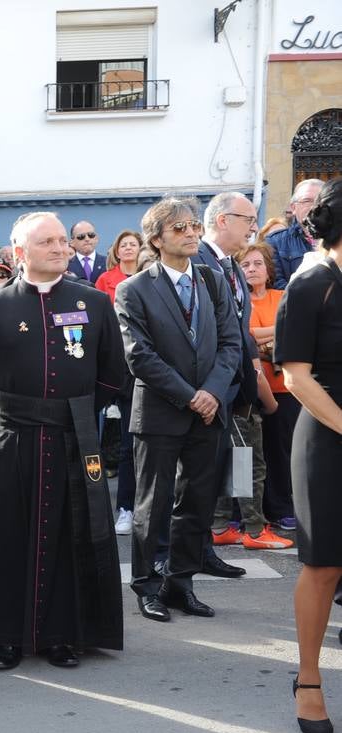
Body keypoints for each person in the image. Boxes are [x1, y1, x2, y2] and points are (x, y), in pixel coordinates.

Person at [0, 212, 127, 670]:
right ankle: (5, 635)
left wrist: (75, 413)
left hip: (74, 434)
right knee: (3, 534)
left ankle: (63, 635)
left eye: (61, 240)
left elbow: (113, 374)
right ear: (20, 253)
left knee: (72, 536)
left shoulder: (93, 303)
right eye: (47, 241)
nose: (60, 247)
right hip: (13, 435)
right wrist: (12, 417)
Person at [115, 196, 240, 623]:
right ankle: (148, 586)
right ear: (157, 238)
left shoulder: (211, 279)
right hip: (161, 412)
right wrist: (190, 395)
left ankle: (180, 583)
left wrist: (212, 393)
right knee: (153, 503)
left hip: (209, 410)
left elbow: (230, 343)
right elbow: (140, 356)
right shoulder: (133, 288)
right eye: (180, 228)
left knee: (196, 502)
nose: (191, 234)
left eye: (193, 226)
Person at [274, 177, 342, 733]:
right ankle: (309, 677)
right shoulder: (313, 281)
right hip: (326, 436)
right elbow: (296, 378)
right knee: (324, 565)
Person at [196, 193, 292, 551]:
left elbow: (241, 329)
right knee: (244, 462)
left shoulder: (229, 266)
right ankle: (252, 528)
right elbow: (223, 333)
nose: (254, 226)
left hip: (240, 388)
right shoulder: (200, 261)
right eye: (248, 218)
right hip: (218, 387)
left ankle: (231, 526)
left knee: (240, 461)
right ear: (222, 220)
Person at [244, 242, 298, 531]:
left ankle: (281, 508)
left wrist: (264, 341)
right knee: (252, 456)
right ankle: (250, 512)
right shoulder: (239, 300)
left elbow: (297, 326)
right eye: (246, 265)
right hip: (252, 390)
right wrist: (278, 332)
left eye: (257, 264)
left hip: (286, 388)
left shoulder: (282, 296)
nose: (252, 270)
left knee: (281, 452)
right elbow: (246, 335)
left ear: (268, 270)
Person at [93, 229, 143, 536]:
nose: (128, 248)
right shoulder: (105, 280)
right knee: (127, 444)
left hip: (152, 370)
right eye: (123, 244)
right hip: (123, 369)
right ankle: (125, 507)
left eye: (132, 244)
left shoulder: (151, 277)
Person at [268, 179, 324, 288]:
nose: (314, 206)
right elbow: (275, 283)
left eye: (319, 201)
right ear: (294, 207)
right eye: (307, 201)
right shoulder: (275, 241)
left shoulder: (337, 240)